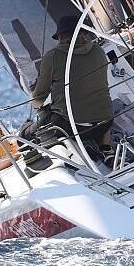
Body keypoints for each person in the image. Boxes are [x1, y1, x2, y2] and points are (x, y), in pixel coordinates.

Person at [28, 9, 115, 166]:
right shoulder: (99, 51)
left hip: (74, 127)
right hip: (106, 122)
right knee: (98, 108)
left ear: (61, 36)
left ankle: (81, 153)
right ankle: (106, 147)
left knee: (31, 132)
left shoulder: (53, 56)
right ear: (84, 33)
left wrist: (36, 101)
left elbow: (38, 98)